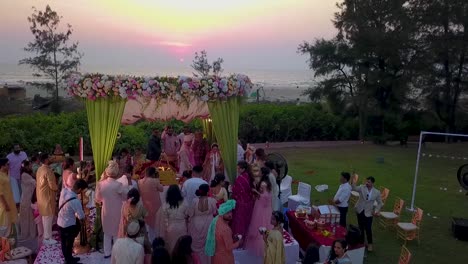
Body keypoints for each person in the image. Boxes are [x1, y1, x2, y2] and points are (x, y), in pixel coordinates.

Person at [95, 160, 127, 258]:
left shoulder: (100, 184)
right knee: (116, 233)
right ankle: (116, 253)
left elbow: (97, 199)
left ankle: (107, 253)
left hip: (106, 211)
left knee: (107, 232)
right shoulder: (118, 185)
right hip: (117, 210)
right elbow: (125, 197)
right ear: (116, 173)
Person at [58, 179, 88, 264]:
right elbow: (81, 215)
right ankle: (69, 261)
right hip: (68, 225)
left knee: (64, 243)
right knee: (69, 243)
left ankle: (68, 258)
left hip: (60, 222)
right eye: (82, 190)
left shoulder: (64, 191)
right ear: (79, 189)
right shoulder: (75, 200)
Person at [245, 167, 273, 256]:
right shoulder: (267, 182)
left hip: (260, 205)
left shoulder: (263, 184)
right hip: (265, 206)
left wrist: (255, 192)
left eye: (260, 171)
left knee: (259, 221)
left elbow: (264, 196)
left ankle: (260, 241)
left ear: (263, 173)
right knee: (266, 221)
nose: (259, 172)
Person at [118, 188, 152, 261]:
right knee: (143, 251)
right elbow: (147, 215)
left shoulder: (125, 206)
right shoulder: (140, 206)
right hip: (141, 233)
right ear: (138, 198)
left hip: (129, 233)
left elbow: (123, 219)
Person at [205, 200, 241, 264]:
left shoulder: (217, 220)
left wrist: (232, 238)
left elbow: (221, 238)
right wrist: (239, 242)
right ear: (222, 213)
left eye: (230, 212)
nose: (230, 215)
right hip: (225, 258)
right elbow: (229, 247)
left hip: (215, 256)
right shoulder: (226, 229)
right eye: (227, 213)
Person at [352, 176, 383, 252]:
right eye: (366, 181)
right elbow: (354, 188)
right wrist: (353, 181)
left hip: (369, 213)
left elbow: (380, 203)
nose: (367, 183)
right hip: (360, 210)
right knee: (361, 227)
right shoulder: (362, 187)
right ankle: (361, 242)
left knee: (368, 229)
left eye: (369, 182)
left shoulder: (377, 192)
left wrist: (376, 211)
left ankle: (370, 244)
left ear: (372, 183)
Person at [188, 184, 217, 264]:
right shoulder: (212, 200)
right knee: (208, 245)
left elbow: (190, 214)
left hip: (196, 224)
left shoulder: (194, 201)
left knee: (196, 245)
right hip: (209, 224)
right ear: (208, 191)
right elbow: (215, 212)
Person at [36, 153, 59, 245]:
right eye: (48, 158)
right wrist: (58, 188)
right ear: (45, 160)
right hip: (47, 196)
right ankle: (47, 238)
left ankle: (47, 233)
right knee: (48, 216)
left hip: (41, 196)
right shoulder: (48, 171)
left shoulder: (40, 169)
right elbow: (52, 186)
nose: (50, 159)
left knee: (45, 217)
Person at [231, 161, 255, 245]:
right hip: (249, 203)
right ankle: (247, 239)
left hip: (241, 204)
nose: (237, 170)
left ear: (243, 169)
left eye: (238, 168)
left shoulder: (240, 179)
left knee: (240, 222)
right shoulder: (249, 176)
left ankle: (240, 241)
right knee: (248, 220)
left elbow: (235, 192)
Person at [138, 167, 164, 242]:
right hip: (156, 206)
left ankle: (152, 241)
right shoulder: (155, 181)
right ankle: (157, 241)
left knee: (150, 225)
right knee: (157, 224)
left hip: (146, 206)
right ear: (153, 174)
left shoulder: (139, 182)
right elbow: (161, 189)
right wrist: (157, 179)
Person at [161, 184, 189, 253]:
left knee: (172, 247)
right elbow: (187, 215)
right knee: (182, 248)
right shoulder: (184, 203)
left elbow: (165, 219)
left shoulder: (166, 205)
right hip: (182, 227)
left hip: (171, 228)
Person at [0, 158, 18, 238]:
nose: (9, 166)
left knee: (8, 225)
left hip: (9, 202)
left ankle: (6, 246)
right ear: (2, 166)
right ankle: (3, 245)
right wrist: (5, 205)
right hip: (4, 204)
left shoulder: (4, 174)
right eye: (7, 164)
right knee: (4, 226)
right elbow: (0, 193)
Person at [19, 160, 36, 240]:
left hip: (28, 199)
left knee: (31, 217)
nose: (31, 166)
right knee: (26, 218)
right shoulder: (24, 175)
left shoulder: (28, 174)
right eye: (30, 165)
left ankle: (32, 234)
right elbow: (35, 183)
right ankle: (26, 234)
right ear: (26, 166)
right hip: (26, 200)